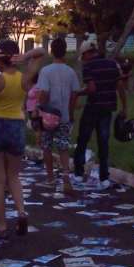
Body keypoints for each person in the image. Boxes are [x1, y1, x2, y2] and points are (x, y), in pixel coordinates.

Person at [0, 39, 35, 239]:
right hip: (16, 124)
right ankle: (21, 212)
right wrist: (26, 57)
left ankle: (1, 224)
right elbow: (40, 52)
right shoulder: (25, 78)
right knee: (14, 176)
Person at [73, 41, 128, 190]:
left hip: (93, 107)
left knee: (83, 139)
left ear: (86, 54)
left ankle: (78, 173)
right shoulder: (112, 64)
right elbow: (120, 87)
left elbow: (91, 89)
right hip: (108, 108)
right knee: (103, 141)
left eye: (83, 56)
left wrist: (79, 93)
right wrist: (124, 107)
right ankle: (104, 177)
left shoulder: (88, 66)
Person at [37, 37, 80, 193]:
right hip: (64, 116)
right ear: (65, 51)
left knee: (46, 146)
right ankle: (66, 178)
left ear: (51, 51)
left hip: (48, 116)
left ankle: (50, 178)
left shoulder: (46, 71)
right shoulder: (71, 72)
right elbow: (75, 93)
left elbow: (44, 93)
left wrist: (38, 109)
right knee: (63, 147)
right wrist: (71, 111)